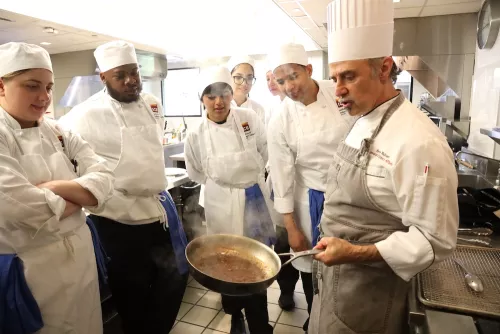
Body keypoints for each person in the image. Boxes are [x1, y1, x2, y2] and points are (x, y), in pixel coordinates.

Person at [309, 1, 459, 333]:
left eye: (349, 75)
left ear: (383, 68)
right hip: (335, 280)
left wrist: (354, 252)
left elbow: (435, 241)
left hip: (371, 296)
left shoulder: (419, 142)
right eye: (335, 78)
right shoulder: (361, 118)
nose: (339, 90)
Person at [58, 40, 189, 334]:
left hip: (158, 213)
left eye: (134, 72)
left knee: (174, 278)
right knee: (132, 294)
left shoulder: (153, 103)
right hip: (118, 220)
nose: (131, 81)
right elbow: (60, 147)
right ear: (103, 77)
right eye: (121, 75)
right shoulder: (85, 114)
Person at [0, 42, 114, 333]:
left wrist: (54, 187)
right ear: (1, 87)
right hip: (33, 272)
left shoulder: (59, 131)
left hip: (80, 262)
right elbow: (19, 206)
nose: (44, 97)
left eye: (49, 87)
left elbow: (104, 177)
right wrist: (82, 196)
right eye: (32, 86)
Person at [267, 42, 353, 331]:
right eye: (281, 81)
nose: (289, 86)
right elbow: (281, 175)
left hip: (350, 193)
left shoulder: (336, 91)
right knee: (311, 263)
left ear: (309, 70)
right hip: (309, 199)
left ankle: (337, 315)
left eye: (293, 76)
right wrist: (291, 227)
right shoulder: (281, 119)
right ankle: (315, 316)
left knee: (346, 262)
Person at [184, 66, 276, 334]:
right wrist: (224, 185)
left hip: (252, 197)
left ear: (231, 93)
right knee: (225, 262)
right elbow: (195, 172)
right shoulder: (196, 133)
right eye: (211, 96)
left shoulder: (249, 118)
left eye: (224, 94)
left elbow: (265, 150)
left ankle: (260, 324)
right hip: (220, 201)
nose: (219, 102)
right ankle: (235, 316)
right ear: (202, 99)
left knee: (259, 264)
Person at [264, 68, 300, 311]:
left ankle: (309, 297)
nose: (273, 83)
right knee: (282, 245)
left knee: (305, 246)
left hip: (301, 187)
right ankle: (286, 292)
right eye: (270, 80)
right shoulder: (271, 110)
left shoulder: (301, 107)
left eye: (277, 79)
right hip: (276, 185)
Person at [228, 55, 266, 124]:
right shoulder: (221, 108)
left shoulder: (258, 110)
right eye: (238, 77)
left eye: (249, 78)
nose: (244, 83)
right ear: (228, 78)